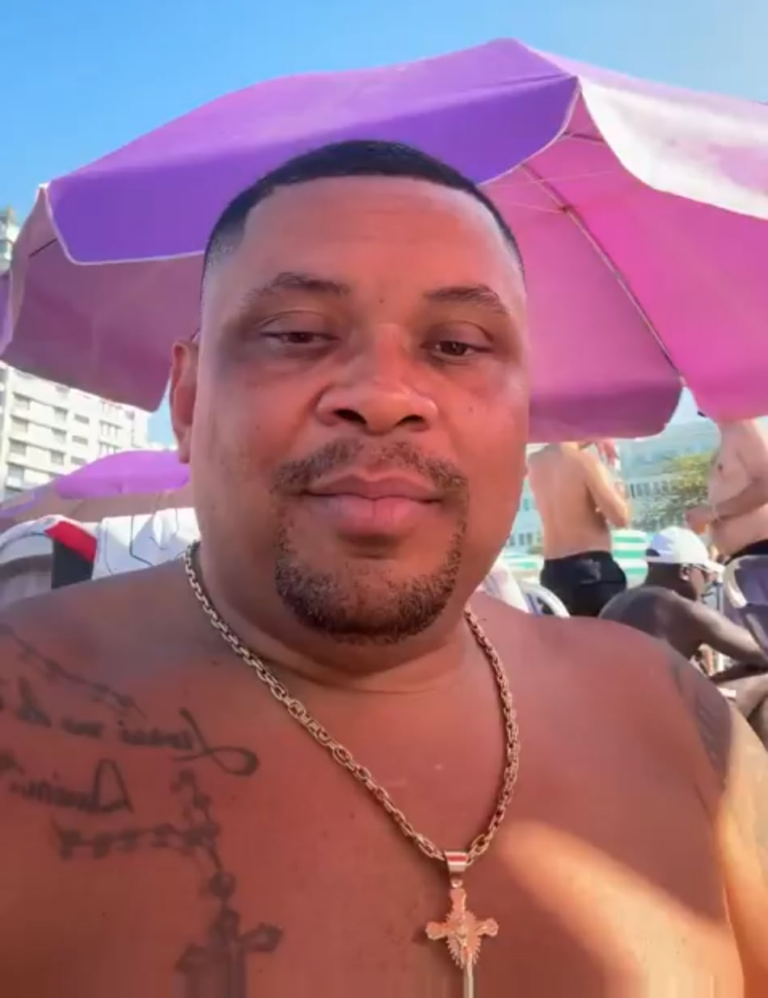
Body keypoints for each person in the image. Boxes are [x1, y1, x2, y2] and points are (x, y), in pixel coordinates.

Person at [1, 140, 767, 997]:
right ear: (187, 400)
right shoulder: (22, 711)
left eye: (458, 345)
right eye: (297, 333)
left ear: (524, 410)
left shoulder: (669, 715)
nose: (383, 395)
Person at [600, 527, 768, 746]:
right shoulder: (679, 608)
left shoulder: (615, 603)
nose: (708, 581)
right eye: (705, 573)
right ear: (686, 572)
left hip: (615, 718)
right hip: (663, 724)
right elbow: (763, 650)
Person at [528, 440, 630, 616]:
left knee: (565, 633)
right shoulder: (584, 461)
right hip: (591, 571)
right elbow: (620, 518)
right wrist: (619, 491)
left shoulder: (534, 462)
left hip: (553, 571)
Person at [687, 418, 768, 563]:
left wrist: (712, 513)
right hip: (745, 557)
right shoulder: (729, 432)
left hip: (760, 553)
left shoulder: (743, 426)